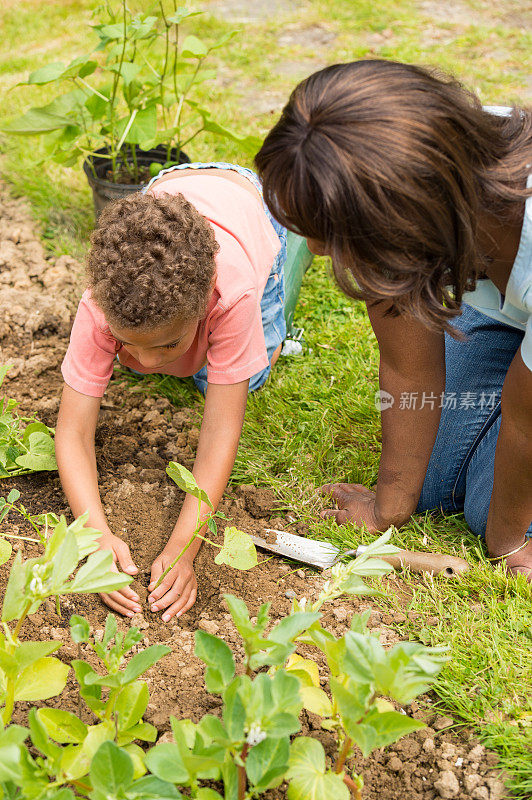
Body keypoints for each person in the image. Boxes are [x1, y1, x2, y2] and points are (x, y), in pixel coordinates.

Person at [255, 59, 532, 580]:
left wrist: (509, 540)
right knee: (433, 481)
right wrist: (389, 508)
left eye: (328, 234)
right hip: (511, 319)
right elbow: (410, 370)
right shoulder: (415, 175)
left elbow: (527, 419)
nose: (315, 250)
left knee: (491, 511)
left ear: (400, 222)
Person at [55, 162, 287, 619]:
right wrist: (96, 537)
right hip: (165, 194)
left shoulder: (231, 294)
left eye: (167, 343)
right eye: (127, 344)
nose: (145, 362)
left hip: (250, 211)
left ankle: (286, 273)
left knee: (242, 375)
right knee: (166, 361)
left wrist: (185, 546)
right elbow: (71, 434)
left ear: (204, 307)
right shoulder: (101, 304)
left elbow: (221, 433)